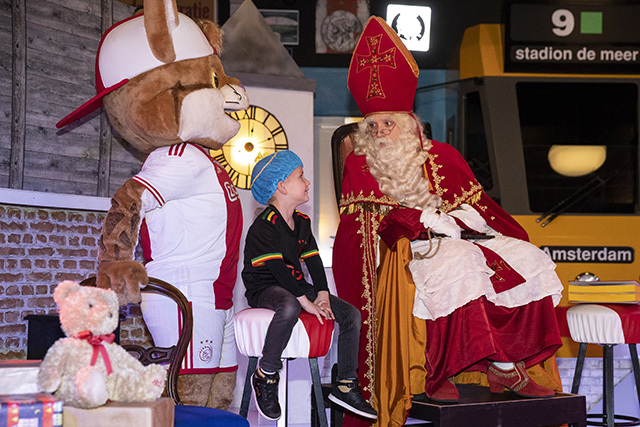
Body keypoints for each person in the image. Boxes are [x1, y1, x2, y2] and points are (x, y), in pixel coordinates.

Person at [332, 16, 564, 426]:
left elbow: (483, 206)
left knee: (527, 257)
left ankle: (506, 364)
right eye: (373, 126)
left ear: (409, 124)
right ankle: (439, 370)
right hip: (404, 252)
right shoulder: (360, 163)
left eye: (388, 124)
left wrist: (472, 221)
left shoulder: (443, 155)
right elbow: (365, 228)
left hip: (459, 239)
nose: (380, 132)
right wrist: (422, 219)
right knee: (461, 260)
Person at [242, 150, 378, 422]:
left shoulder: (302, 222)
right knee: (289, 306)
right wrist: (305, 300)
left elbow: (314, 261)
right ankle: (266, 373)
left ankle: (345, 384)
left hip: (294, 285)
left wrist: (323, 295)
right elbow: (278, 271)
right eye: (301, 176)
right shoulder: (264, 226)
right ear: (281, 186)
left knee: (351, 314)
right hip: (265, 287)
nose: (307, 182)